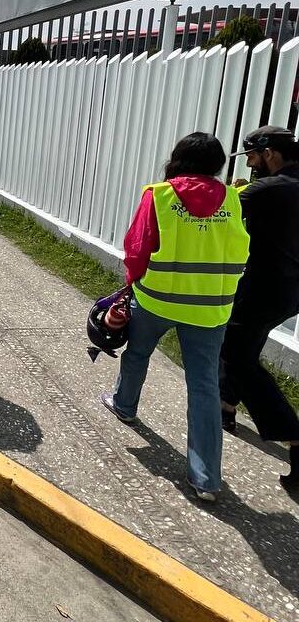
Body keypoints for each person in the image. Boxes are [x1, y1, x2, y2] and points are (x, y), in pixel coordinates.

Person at [100, 132, 250, 502]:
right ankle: (205, 478)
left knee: (137, 354)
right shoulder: (232, 198)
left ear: (178, 159)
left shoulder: (160, 195)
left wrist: (130, 285)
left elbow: (137, 247)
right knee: (203, 385)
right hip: (210, 307)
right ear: (217, 164)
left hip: (157, 300)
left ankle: (125, 405)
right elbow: (242, 248)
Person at [219, 126, 299, 488]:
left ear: (269, 153)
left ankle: (294, 436)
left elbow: (220, 209)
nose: (250, 164)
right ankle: (226, 408)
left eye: (252, 156)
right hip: (290, 291)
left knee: (234, 353)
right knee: (243, 345)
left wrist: (234, 191)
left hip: (265, 287)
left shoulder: (270, 188)